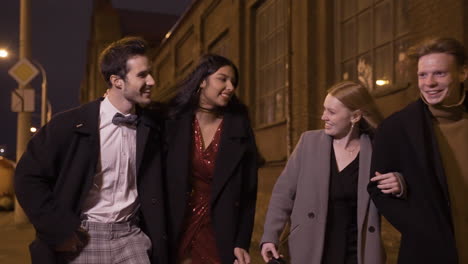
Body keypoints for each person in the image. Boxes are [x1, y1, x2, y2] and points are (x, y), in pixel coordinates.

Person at [14, 36, 168, 264]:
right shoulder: (69, 125)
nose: (152, 81)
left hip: (132, 236)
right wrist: (59, 231)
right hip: (83, 237)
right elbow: (27, 177)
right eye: (142, 75)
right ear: (117, 81)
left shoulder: (153, 126)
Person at [260, 81, 405, 264]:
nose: (323, 117)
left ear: (355, 116)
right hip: (309, 249)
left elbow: (404, 188)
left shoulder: (376, 150)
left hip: (356, 253)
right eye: (324, 109)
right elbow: (283, 194)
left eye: (331, 112)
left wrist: (399, 183)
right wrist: (269, 236)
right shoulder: (309, 143)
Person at [368, 37, 468, 263]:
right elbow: (377, 190)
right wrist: (421, 231)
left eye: (440, 73)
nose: (429, 83)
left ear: (462, 73)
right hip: (429, 253)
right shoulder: (396, 128)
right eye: (423, 75)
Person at [164, 54, 258, 264]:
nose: (230, 87)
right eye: (222, 79)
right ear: (202, 80)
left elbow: (248, 194)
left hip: (220, 229)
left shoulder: (239, 127)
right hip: (177, 226)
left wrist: (241, 242)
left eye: (233, 82)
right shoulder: (172, 122)